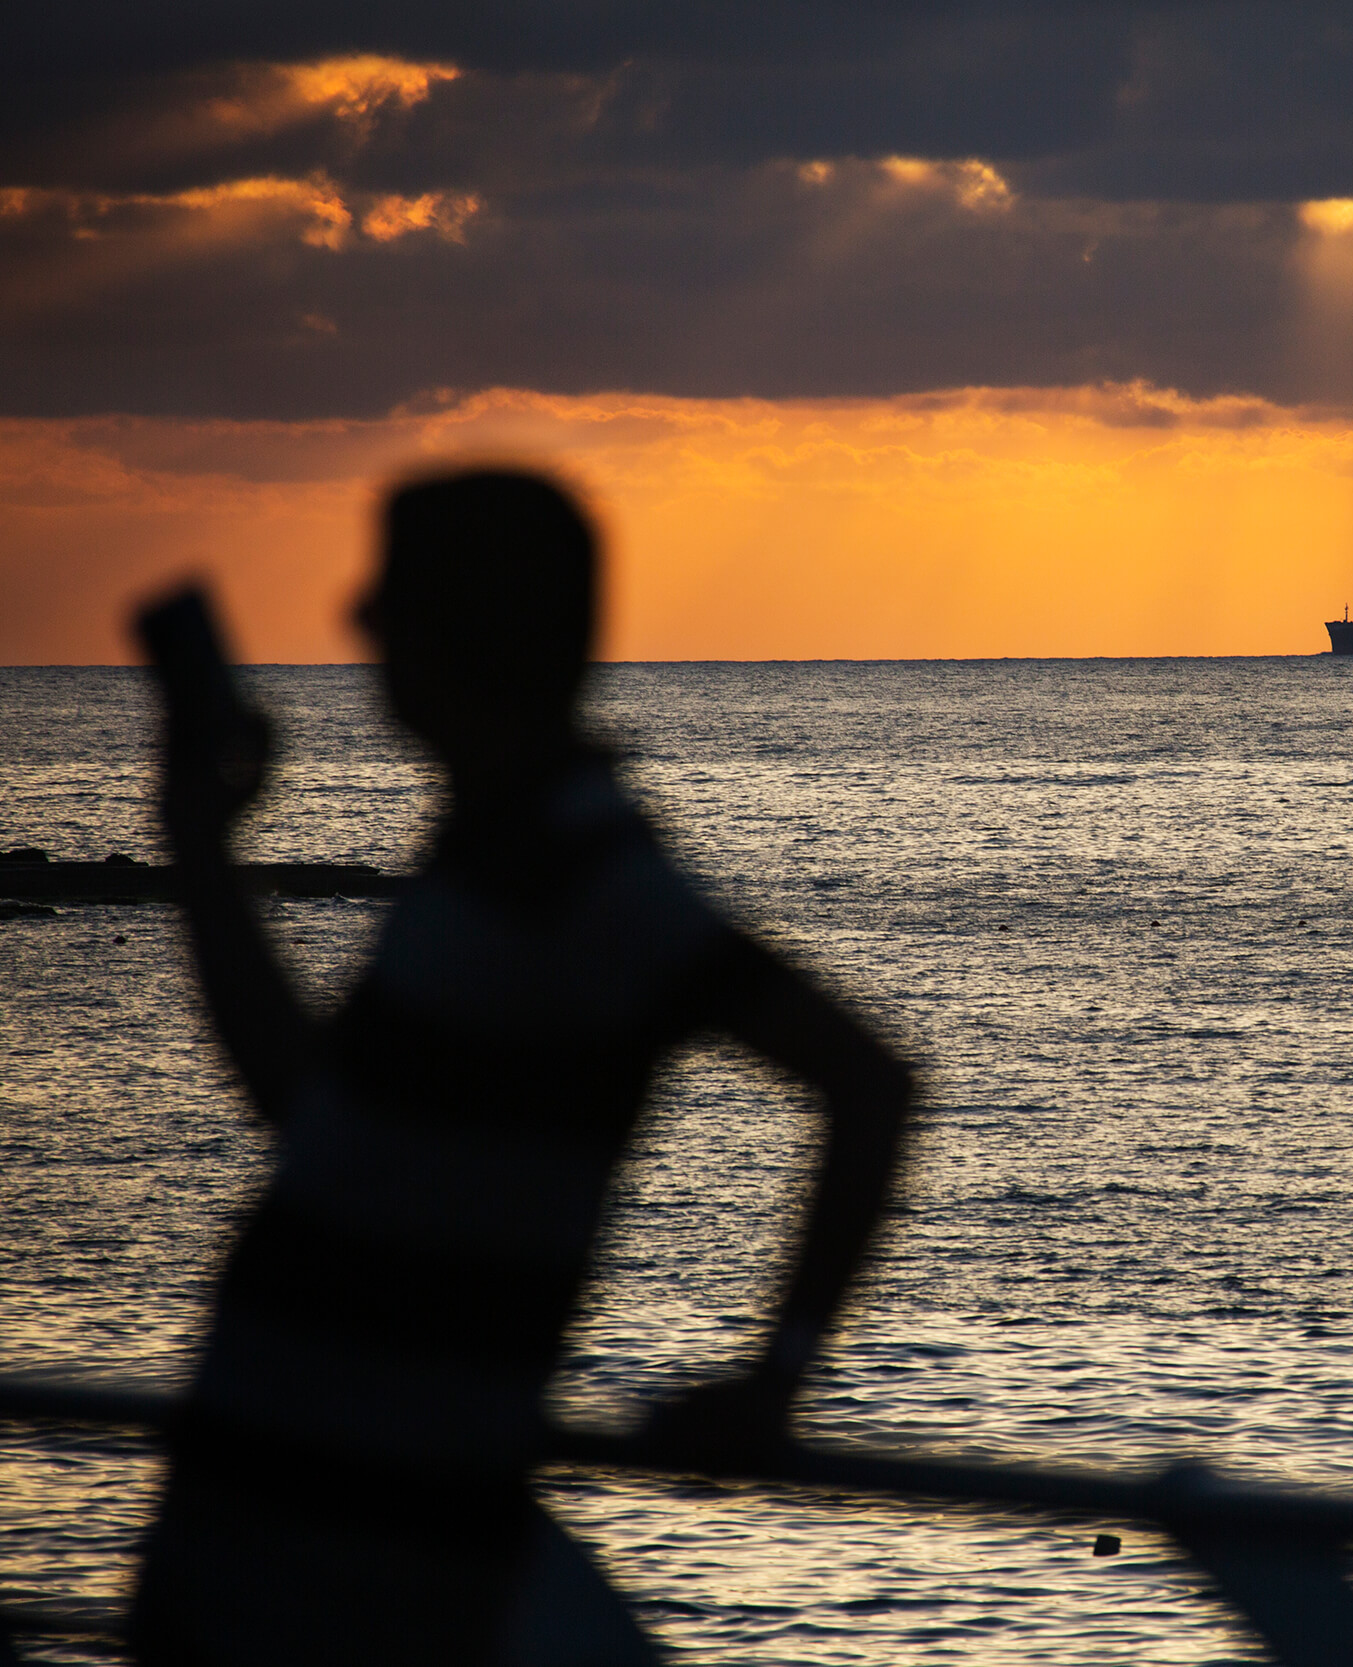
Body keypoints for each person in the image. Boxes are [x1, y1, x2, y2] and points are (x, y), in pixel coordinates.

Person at [130, 470, 914, 1666]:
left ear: (469, 628)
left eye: (391, 591)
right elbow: (301, 1099)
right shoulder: (490, 855)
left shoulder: (584, 874)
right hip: (276, 1511)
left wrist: (778, 1374)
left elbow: (865, 1080)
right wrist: (197, 837)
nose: (359, 619)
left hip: (369, 1553)